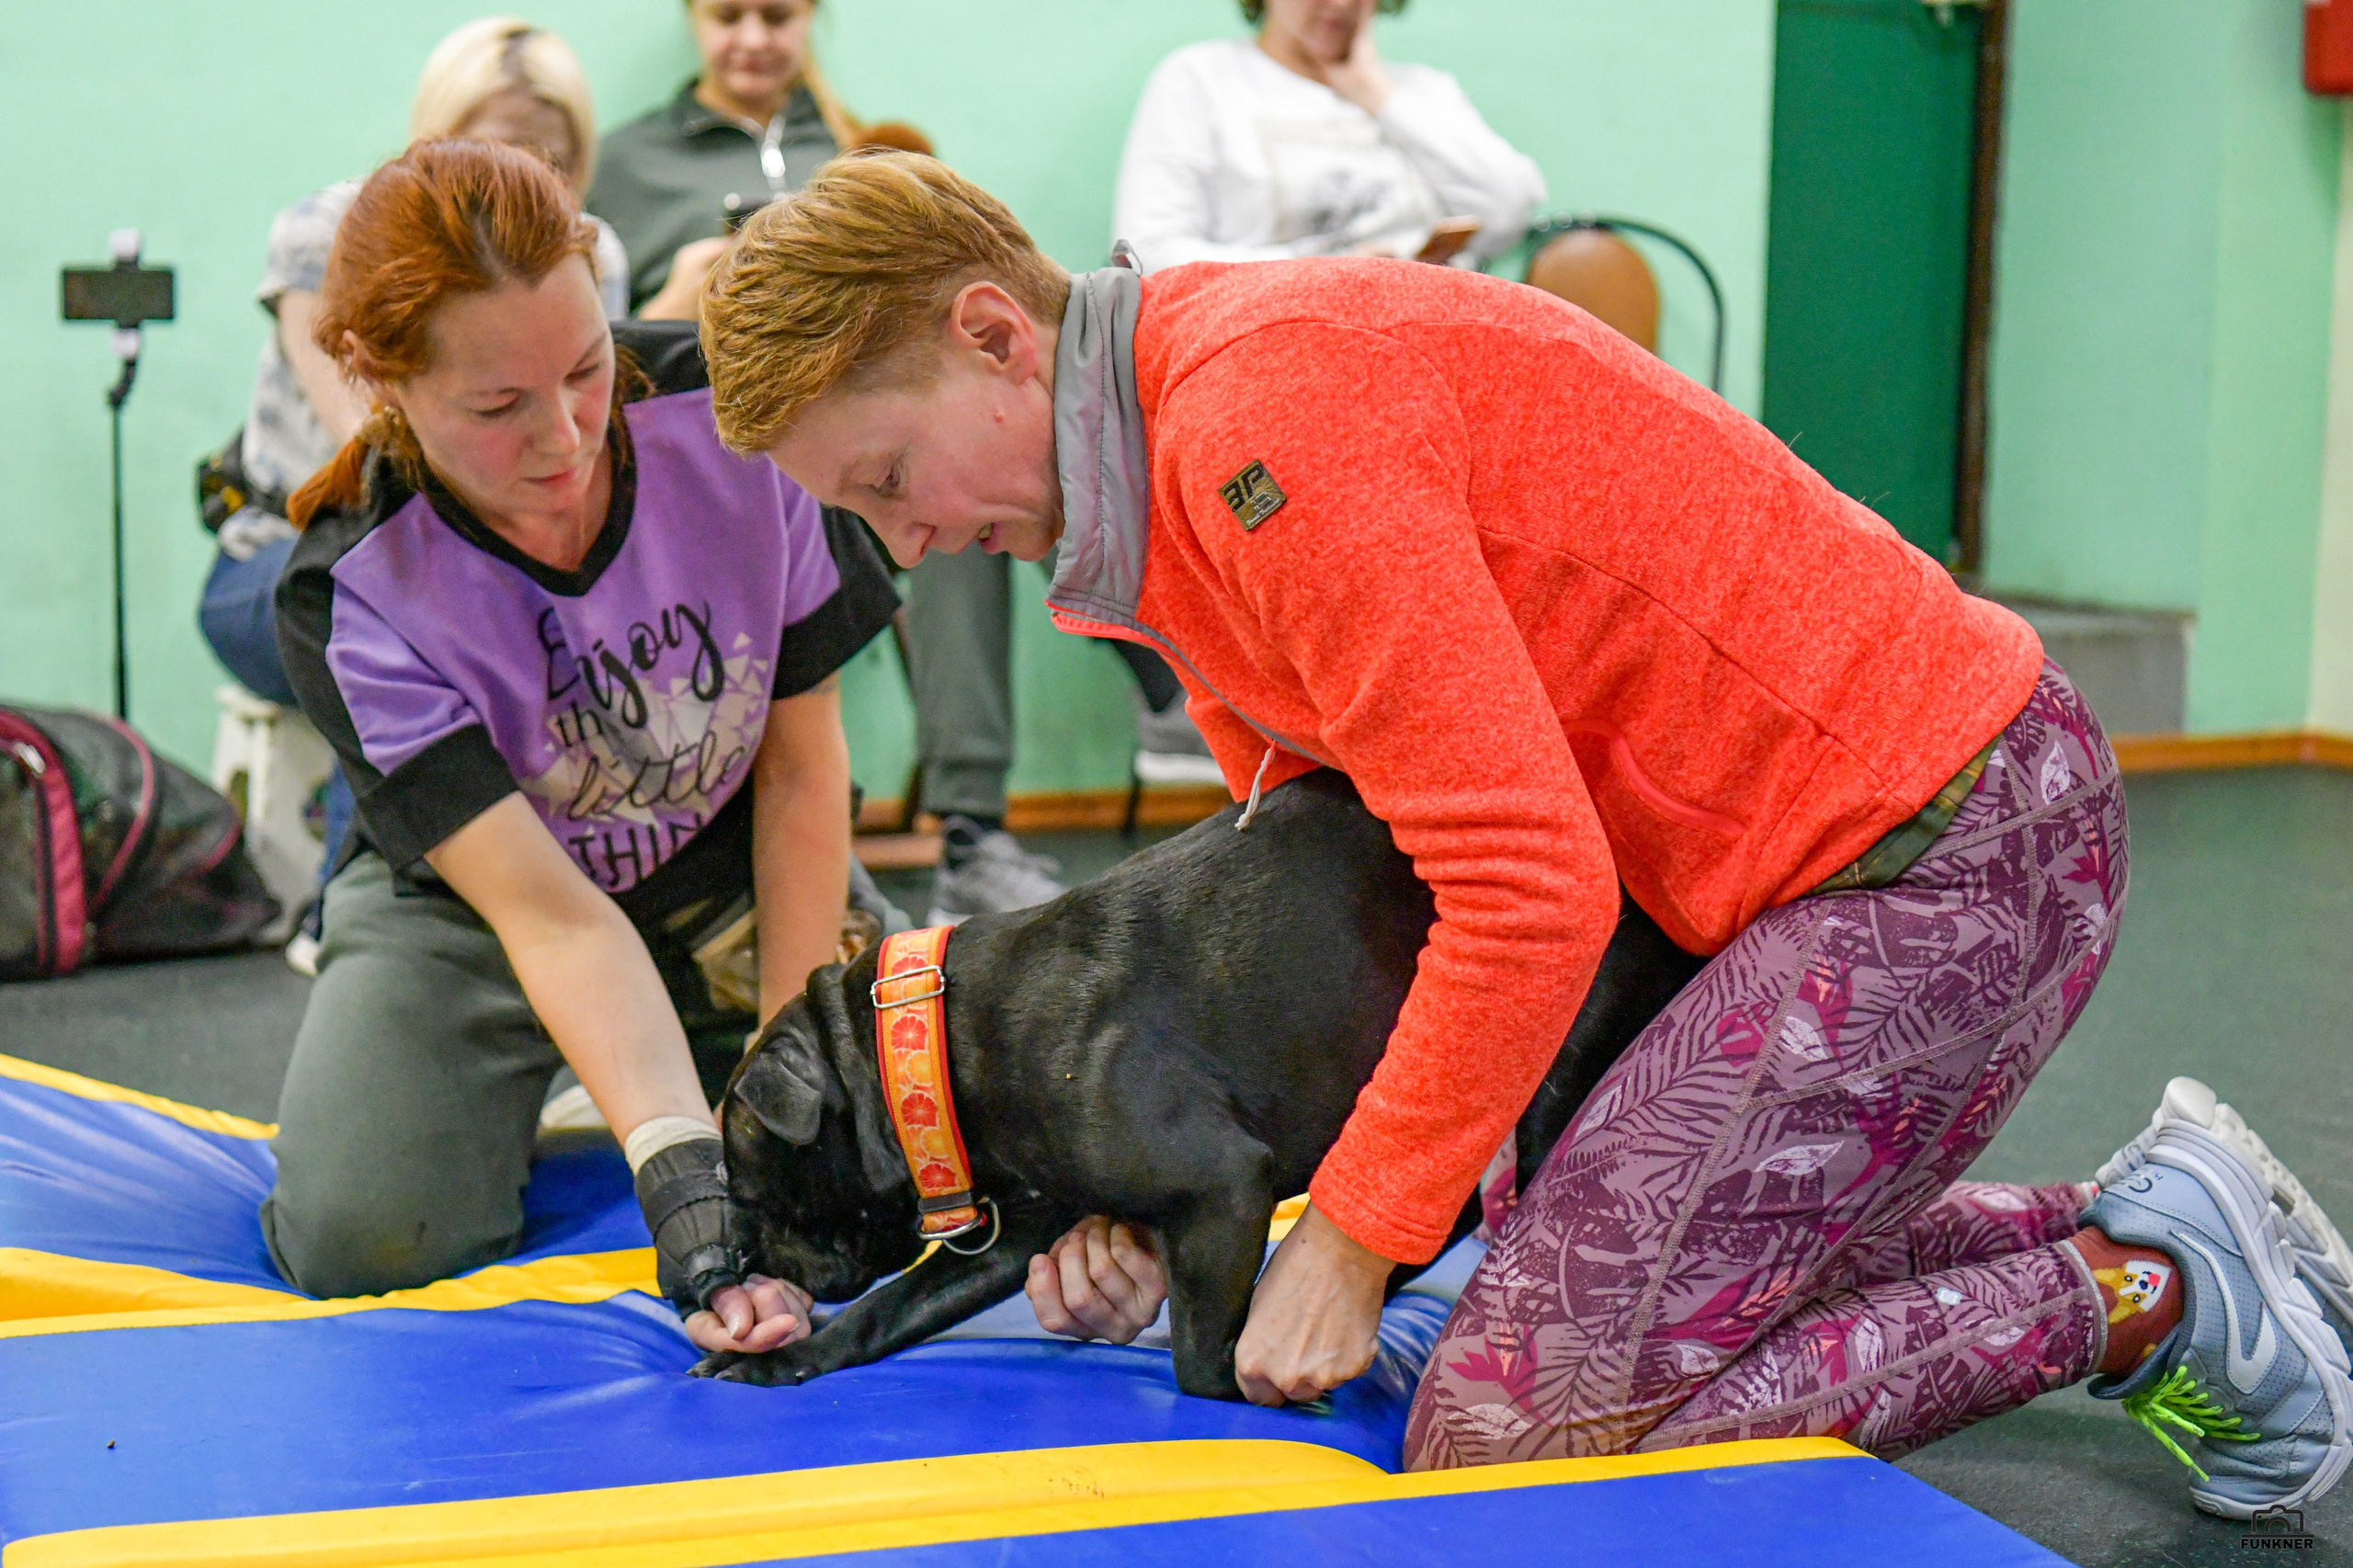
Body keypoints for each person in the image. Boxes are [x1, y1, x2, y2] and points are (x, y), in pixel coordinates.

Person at [694, 153, 2353, 1517]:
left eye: (889, 477)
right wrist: (1135, 1195)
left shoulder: (1257, 430)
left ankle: (2147, 1293)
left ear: (994, 334)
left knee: (1514, 1428)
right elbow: (1350, 867)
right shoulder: (1160, 479)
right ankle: (2137, 1209)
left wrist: (1345, 1237)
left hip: (1952, 846)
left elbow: (1520, 879)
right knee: (1517, 1258)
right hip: (1759, 888)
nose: (906, 540)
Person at [266, 141, 899, 1369]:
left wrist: (784, 1081)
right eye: (496, 407)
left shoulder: (732, 417)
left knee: (914, 1153)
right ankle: (606, 1075)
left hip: (728, 867)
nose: (562, 436)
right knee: (359, 1231)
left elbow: (805, 772)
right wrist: (684, 1178)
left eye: (585, 370)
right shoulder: (350, 582)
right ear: (378, 378)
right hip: (486, 912)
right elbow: (549, 918)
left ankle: (684, 1050)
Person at [592, 0, 1063, 925]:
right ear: (694, 22)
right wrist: (672, 300)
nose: (754, 37)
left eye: (777, 15)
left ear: (813, 21)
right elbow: (590, 358)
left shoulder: (864, 147)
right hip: (717, 478)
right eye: (729, 16)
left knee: (961, 496)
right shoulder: (624, 162)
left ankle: (971, 828)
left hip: (859, 453)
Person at [199, 17, 631, 966]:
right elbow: (380, 457)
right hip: (279, 560)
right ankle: (364, 910)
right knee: (400, 605)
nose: (524, 173)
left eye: (551, 160)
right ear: (437, 130)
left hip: (486, 563)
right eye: (499, 143)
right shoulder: (326, 235)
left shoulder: (588, 252)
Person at [1112, 0, 1544, 275]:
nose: (1341, 3)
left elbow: (1509, 209)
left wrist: (1372, 91)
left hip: (1431, 339)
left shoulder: (1419, 92)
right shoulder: (1202, 79)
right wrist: (1324, 272)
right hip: (1278, 341)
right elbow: (1146, 253)